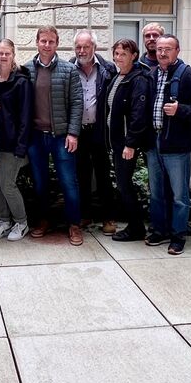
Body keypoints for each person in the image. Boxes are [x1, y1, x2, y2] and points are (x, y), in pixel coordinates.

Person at [145, 34, 191, 256]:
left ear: (177, 51)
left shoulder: (189, 75)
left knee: (180, 195)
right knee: (156, 192)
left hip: (177, 145)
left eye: (168, 49)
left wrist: (181, 110)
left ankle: (178, 235)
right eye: (159, 49)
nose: (162, 53)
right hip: (154, 143)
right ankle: (160, 230)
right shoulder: (151, 74)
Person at [26, 25, 85, 246]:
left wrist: (73, 133)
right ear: (37, 42)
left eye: (51, 41)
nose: (47, 45)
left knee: (69, 182)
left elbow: (77, 103)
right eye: (43, 41)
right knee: (40, 183)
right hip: (36, 137)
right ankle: (43, 220)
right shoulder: (26, 70)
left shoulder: (69, 70)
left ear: (57, 44)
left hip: (61, 137)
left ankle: (74, 224)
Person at [104, 38, 152, 242]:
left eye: (123, 54)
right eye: (116, 54)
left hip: (126, 143)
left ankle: (136, 228)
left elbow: (138, 114)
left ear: (134, 55)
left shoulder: (138, 79)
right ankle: (135, 225)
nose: (118, 58)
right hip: (115, 142)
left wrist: (130, 143)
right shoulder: (117, 77)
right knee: (123, 184)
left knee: (125, 185)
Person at [0, 39, 32, 241]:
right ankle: (4, 221)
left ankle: (21, 222)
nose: (3, 56)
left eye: (7, 53)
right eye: (0, 53)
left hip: (12, 145)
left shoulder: (21, 82)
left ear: (13, 55)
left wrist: (21, 147)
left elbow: (25, 117)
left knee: (7, 184)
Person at [71, 30, 116, 234]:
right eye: (78, 47)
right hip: (78, 132)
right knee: (81, 175)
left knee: (104, 175)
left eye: (86, 46)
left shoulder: (108, 69)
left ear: (94, 47)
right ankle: (85, 215)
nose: (82, 51)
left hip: (99, 131)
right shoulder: (69, 67)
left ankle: (108, 218)